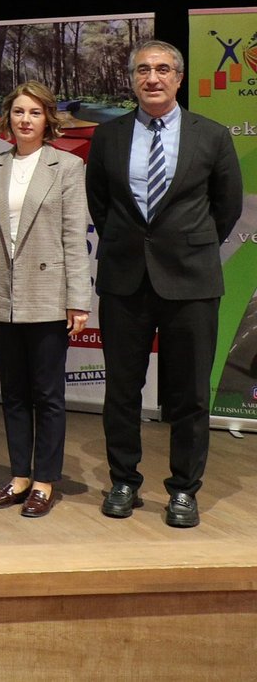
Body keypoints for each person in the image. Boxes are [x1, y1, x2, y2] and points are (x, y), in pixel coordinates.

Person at [86, 40, 241, 528]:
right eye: (143, 70)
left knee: (190, 393)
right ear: (132, 79)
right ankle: (124, 481)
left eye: (162, 69)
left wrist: (187, 246)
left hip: (191, 281)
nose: (152, 78)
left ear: (179, 77)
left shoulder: (211, 135)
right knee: (122, 389)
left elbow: (227, 207)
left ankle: (183, 490)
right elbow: (100, 203)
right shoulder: (108, 136)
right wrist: (135, 245)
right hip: (124, 280)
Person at [0, 81, 90, 518]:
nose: (25, 120)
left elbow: (74, 238)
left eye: (35, 113)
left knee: (48, 395)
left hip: (47, 295)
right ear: (8, 118)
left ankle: (44, 481)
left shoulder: (68, 166)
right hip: (0, 295)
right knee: (14, 393)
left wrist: (78, 300)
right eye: (19, 112)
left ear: (48, 120)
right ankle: (19, 476)